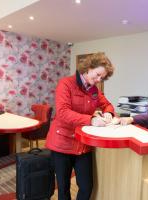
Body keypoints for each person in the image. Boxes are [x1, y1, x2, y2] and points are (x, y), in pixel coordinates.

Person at [45, 53, 115, 200]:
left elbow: (107, 105)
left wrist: (108, 112)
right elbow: (63, 113)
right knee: (63, 189)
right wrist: (91, 120)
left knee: (86, 186)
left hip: (83, 144)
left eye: (102, 78)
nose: (98, 80)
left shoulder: (94, 90)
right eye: (97, 75)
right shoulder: (66, 83)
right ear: (89, 68)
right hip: (62, 143)